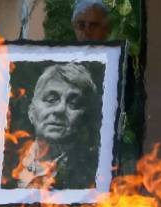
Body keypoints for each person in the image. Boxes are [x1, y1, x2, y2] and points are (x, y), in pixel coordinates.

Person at [6, 62, 99, 190]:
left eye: (73, 103)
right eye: (51, 99)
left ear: (83, 119)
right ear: (31, 112)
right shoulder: (5, 160)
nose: (60, 109)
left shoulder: (93, 173)